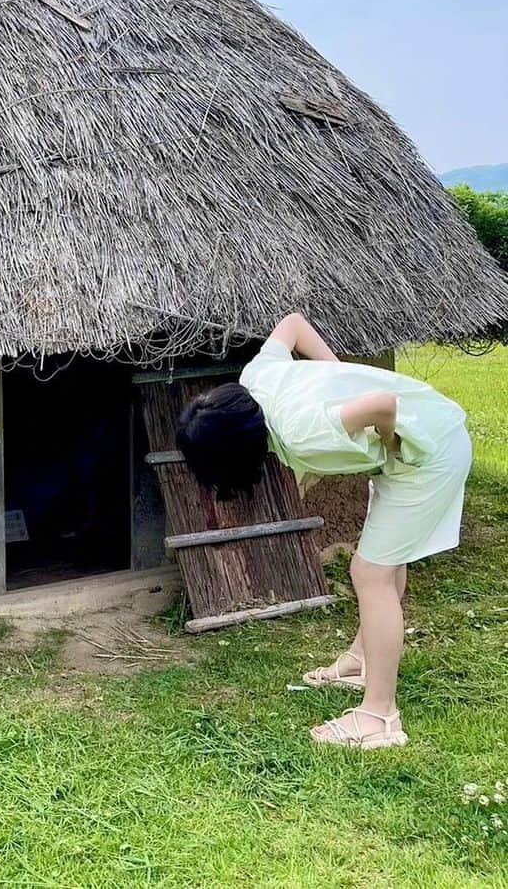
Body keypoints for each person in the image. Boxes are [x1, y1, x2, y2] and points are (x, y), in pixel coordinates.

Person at [175, 311, 472, 750]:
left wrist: (389, 439)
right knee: (384, 561)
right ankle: (361, 660)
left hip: (429, 454)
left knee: (370, 572)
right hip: (419, 442)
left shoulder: (300, 430)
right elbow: (292, 324)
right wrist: (337, 378)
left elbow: (382, 406)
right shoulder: (256, 379)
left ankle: (379, 716)